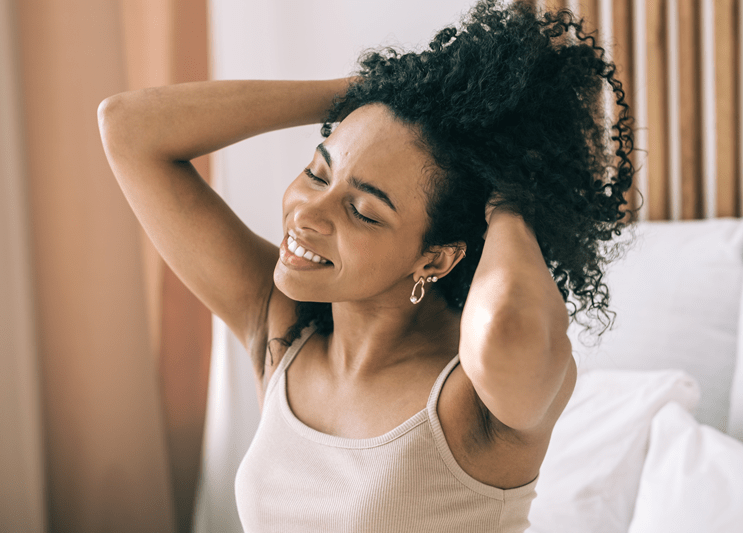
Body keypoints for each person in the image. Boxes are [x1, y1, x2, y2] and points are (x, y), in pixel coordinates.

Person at [98, 1, 636, 531]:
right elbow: (127, 128)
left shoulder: (473, 400)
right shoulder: (287, 332)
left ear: (437, 256)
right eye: (316, 172)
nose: (307, 212)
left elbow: (507, 327)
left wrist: (511, 196)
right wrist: (375, 91)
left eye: (362, 210)